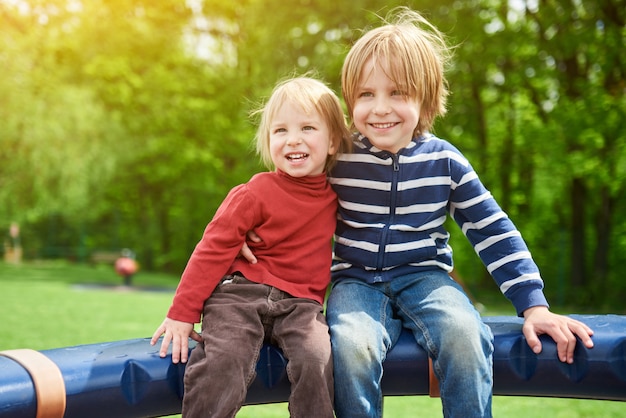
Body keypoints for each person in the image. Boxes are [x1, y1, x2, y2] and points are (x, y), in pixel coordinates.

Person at [237, 7, 595, 418]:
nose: (380, 108)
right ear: (349, 100)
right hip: (355, 282)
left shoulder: (446, 162)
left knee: (465, 335)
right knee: (351, 347)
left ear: (425, 99)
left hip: (426, 277)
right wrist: (250, 236)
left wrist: (534, 305)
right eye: (366, 95)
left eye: (397, 94)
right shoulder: (340, 156)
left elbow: (492, 229)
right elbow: (286, 197)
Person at [151, 76, 351, 418]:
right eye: (281, 131)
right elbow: (211, 250)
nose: (293, 140)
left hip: (301, 308)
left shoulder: (339, 197)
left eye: (307, 128)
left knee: (318, 358)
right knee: (225, 358)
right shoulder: (254, 193)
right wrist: (182, 314)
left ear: (333, 142)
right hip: (240, 296)